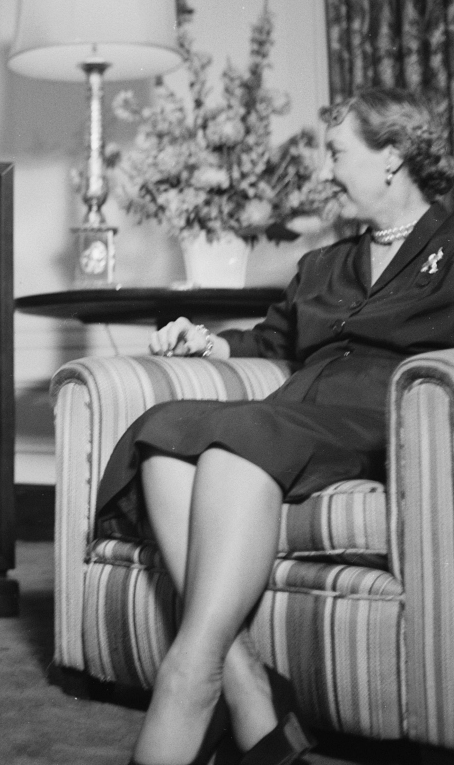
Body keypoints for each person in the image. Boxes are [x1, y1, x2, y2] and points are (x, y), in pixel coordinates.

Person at [95, 87, 454, 765]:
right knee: (164, 434)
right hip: (298, 411)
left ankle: (190, 676)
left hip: (388, 418)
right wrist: (211, 345)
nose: (327, 168)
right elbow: (273, 338)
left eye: (338, 152)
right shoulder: (325, 264)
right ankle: (247, 685)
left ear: (394, 156)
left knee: (239, 443)